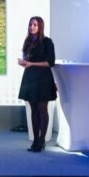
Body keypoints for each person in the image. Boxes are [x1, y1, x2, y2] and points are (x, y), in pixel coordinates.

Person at [17, 16, 57, 152]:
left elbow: (50, 62)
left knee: (42, 109)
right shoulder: (28, 42)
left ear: (40, 27)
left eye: (35, 24)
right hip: (30, 77)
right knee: (33, 110)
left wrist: (31, 64)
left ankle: (42, 141)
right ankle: (35, 140)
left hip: (43, 78)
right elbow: (27, 60)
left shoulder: (47, 42)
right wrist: (24, 63)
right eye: (30, 24)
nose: (32, 27)